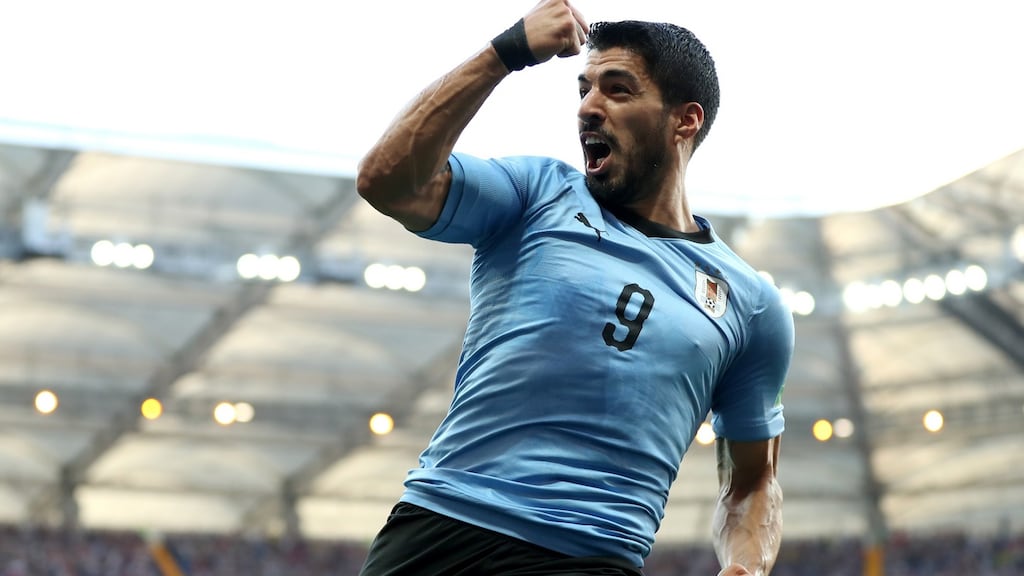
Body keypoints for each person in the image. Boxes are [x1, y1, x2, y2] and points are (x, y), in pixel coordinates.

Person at [355, 1, 793, 575]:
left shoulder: (750, 304)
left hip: (592, 556)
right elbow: (388, 183)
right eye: (583, 89)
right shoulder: (537, 193)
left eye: (617, 89)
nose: (588, 107)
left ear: (684, 120)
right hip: (441, 529)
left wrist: (746, 569)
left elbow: (753, 482)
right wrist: (504, 52)